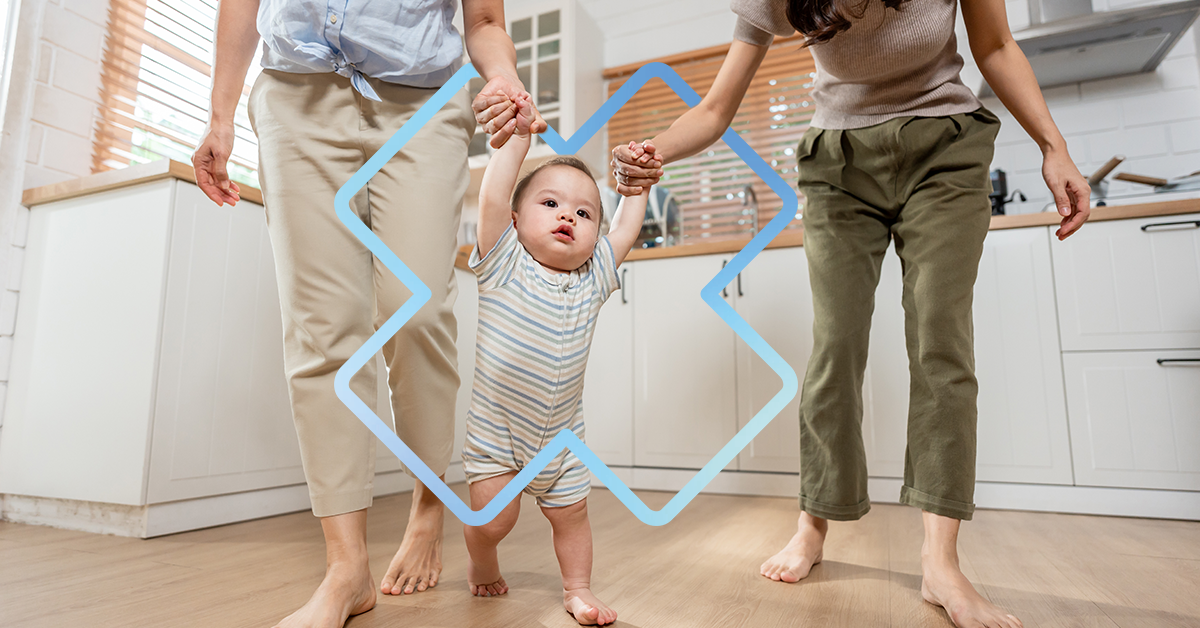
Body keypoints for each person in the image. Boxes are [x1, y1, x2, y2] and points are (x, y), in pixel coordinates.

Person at [611, 1, 1090, 627]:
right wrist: (650, 152)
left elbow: (995, 46)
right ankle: (814, 524)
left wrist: (1055, 147)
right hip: (837, 165)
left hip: (944, 147)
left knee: (941, 343)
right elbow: (713, 109)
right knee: (835, 348)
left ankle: (940, 564)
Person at [192, 2, 544, 626]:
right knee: (323, 331)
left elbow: (485, 20)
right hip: (295, 96)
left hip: (423, 105)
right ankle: (346, 568)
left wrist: (503, 76)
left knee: (420, 315)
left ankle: (427, 507)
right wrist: (220, 116)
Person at [460, 94, 646, 626]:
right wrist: (520, 137)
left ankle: (578, 589)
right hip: (498, 436)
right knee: (495, 520)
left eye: (584, 213)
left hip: (562, 439)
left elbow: (627, 230)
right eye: (551, 204)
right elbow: (494, 194)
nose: (568, 215)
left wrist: (636, 189)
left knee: (573, 516)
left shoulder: (594, 279)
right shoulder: (503, 262)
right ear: (516, 221)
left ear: (594, 236)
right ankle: (481, 558)